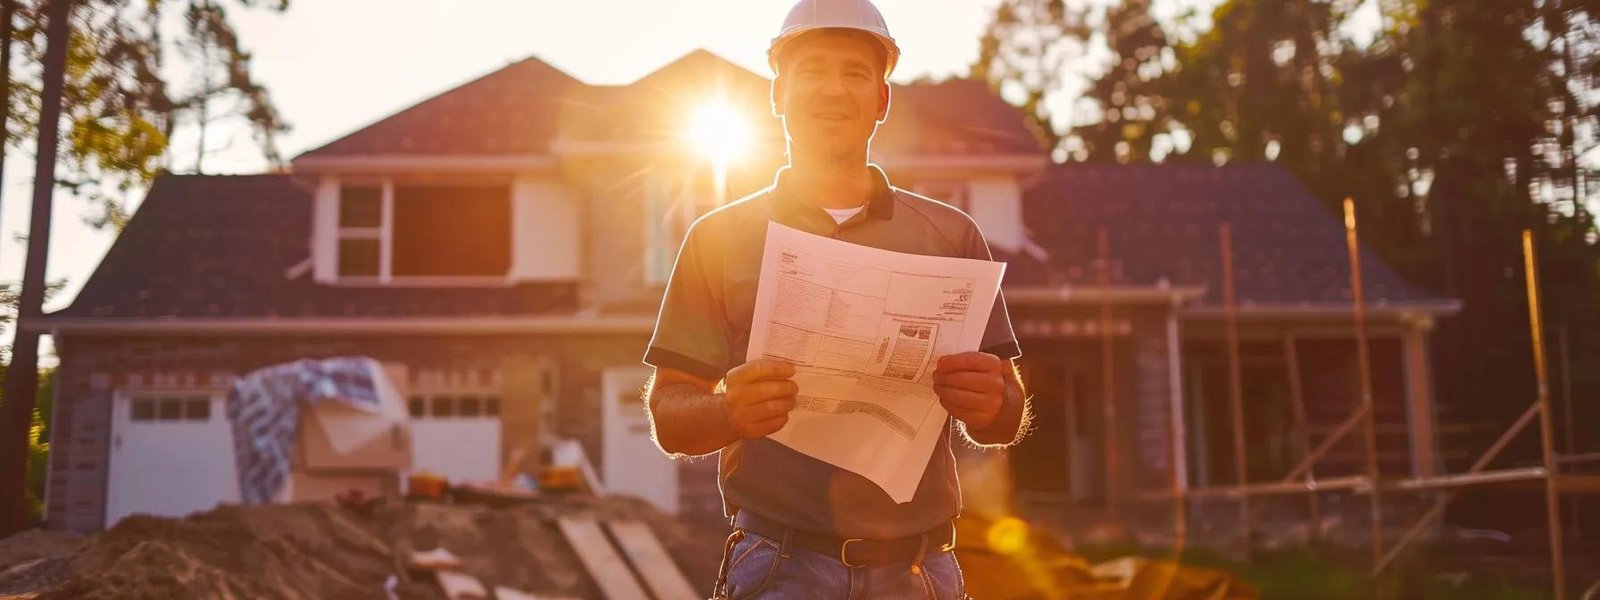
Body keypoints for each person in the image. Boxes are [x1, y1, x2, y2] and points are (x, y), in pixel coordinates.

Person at [642, 0, 1030, 597]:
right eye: (812, 70)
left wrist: (992, 405)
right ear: (778, 94)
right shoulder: (717, 239)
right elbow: (671, 414)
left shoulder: (952, 237)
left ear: (881, 100)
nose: (833, 89)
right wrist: (725, 412)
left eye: (855, 73)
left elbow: (1005, 412)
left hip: (920, 571)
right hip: (780, 566)